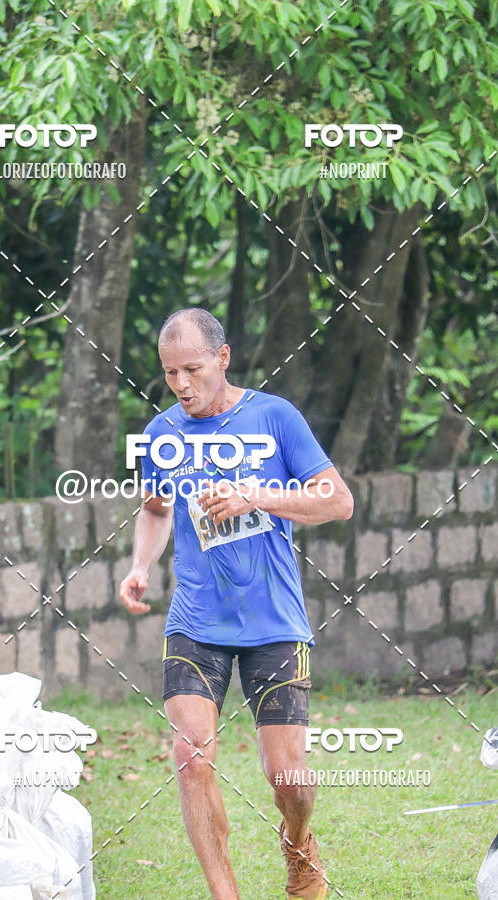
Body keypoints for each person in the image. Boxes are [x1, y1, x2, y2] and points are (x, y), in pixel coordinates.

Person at [119, 308, 354, 900]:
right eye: (170, 372)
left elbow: (338, 501)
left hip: (274, 621)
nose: (181, 385)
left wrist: (258, 495)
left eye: (192, 369)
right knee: (190, 757)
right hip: (196, 621)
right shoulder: (161, 433)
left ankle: (298, 842)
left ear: (223, 359)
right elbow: (154, 507)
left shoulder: (275, 418)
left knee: (288, 780)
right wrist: (140, 566)